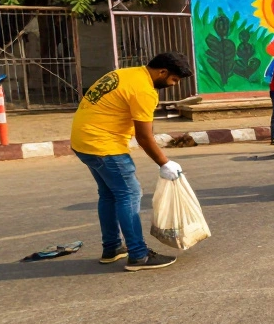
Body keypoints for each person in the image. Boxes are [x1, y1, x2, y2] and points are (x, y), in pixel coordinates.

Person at [71, 52, 193, 271]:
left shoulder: (126, 74)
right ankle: (138, 255)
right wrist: (164, 163)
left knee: (109, 194)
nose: (174, 85)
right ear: (162, 72)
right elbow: (144, 136)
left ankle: (112, 248)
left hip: (83, 141)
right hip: (104, 146)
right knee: (129, 194)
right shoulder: (144, 90)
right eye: (174, 79)